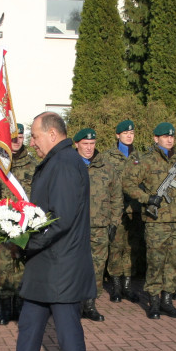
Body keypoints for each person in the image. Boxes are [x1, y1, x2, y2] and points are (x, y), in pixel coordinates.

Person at [0, 111, 94, 351]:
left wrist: (25, 243)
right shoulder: (57, 162)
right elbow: (44, 214)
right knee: (29, 325)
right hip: (47, 265)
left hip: (61, 267)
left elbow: (61, 220)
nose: (32, 142)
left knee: (67, 330)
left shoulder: (66, 165)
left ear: (52, 134)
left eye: (35, 136)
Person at [124, 122, 176, 319]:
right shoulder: (146, 160)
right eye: (165, 136)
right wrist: (147, 198)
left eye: (172, 136)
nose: (169, 139)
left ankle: (167, 301)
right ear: (156, 139)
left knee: (173, 263)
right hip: (157, 222)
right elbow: (127, 183)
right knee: (155, 262)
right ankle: (154, 302)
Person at [0, 123, 36, 325]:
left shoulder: (33, 164)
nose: (17, 140)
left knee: (21, 268)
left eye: (20, 136)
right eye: (13, 136)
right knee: (2, 268)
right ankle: (4, 309)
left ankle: (20, 308)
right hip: (1, 226)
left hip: (24, 225)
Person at [73, 127, 122, 322]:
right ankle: (75, 304)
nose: (89, 148)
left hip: (100, 227)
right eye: (85, 144)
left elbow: (116, 198)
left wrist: (114, 221)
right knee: (75, 265)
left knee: (97, 266)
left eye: (92, 144)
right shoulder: (69, 166)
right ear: (76, 144)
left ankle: (91, 304)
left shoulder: (107, 167)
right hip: (75, 226)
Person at [105, 119, 140, 303]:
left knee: (131, 248)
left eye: (132, 133)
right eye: (125, 133)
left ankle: (128, 286)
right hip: (117, 210)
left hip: (134, 210)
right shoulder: (108, 157)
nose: (129, 136)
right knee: (116, 248)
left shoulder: (139, 156)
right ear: (117, 135)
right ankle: (116, 286)